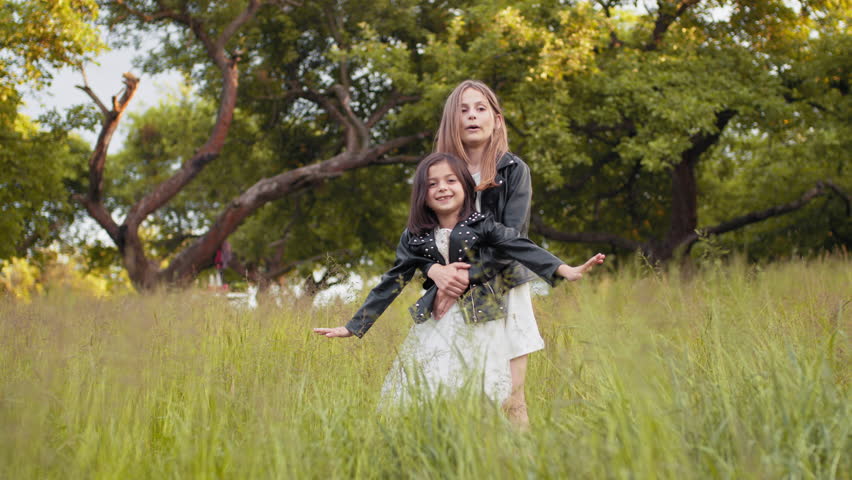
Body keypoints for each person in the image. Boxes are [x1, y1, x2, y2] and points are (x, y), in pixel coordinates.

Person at [313, 153, 605, 420]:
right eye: (432, 184)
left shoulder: (483, 225)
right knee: (430, 386)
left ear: (466, 187)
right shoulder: (414, 237)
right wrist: (354, 326)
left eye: (451, 180)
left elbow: (519, 246)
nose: (442, 188)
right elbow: (392, 281)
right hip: (435, 324)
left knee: (484, 394)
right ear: (422, 195)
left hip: (482, 323)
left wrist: (566, 270)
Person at [424, 80, 550, 427]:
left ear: (496, 119)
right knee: (455, 397)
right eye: (463, 110)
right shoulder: (438, 175)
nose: (472, 116)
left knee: (510, 398)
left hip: (504, 290)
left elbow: (512, 240)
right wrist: (435, 273)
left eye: (480, 108)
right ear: (452, 121)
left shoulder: (513, 171)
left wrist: (468, 275)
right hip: (450, 297)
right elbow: (420, 239)